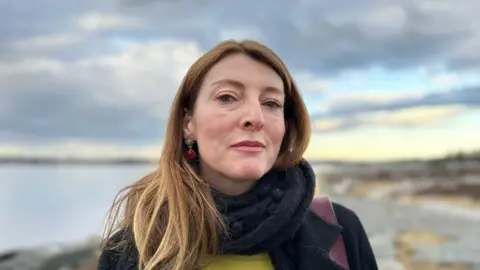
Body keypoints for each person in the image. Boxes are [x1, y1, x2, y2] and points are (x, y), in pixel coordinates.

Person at [97, 40, 378, 270]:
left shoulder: (340, 230)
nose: (255, 118)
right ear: (188, 124)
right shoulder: (131, 251)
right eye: (227, 97)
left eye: (271, 103)